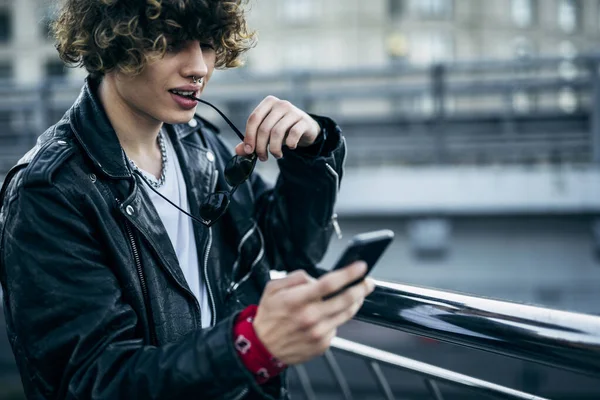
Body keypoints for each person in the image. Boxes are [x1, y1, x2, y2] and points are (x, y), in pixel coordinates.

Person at [0, 0, 374, 399]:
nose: (199, 67)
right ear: (112, 41)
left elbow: (290, 249)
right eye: (172, 40)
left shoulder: (199, 144)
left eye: (209, 43)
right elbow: (93, 381)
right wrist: (248, 347)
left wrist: (312, 151)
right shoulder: (50, 190)